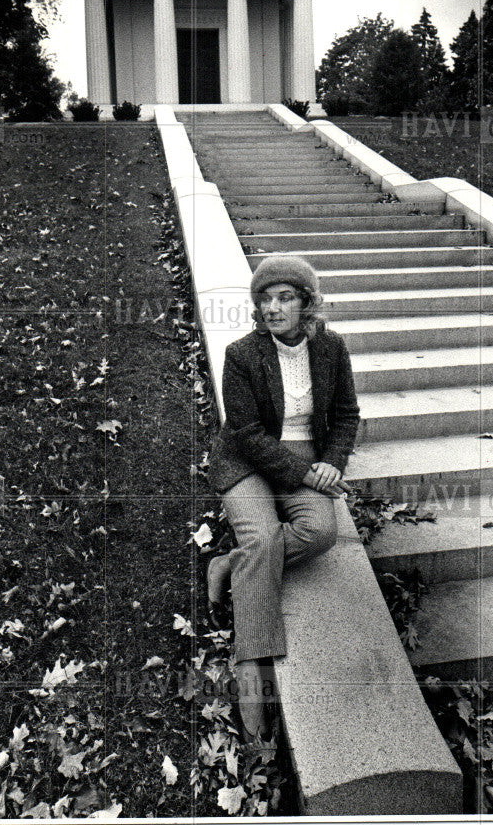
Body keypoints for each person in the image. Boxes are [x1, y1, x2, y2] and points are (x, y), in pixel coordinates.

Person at [206, 255, 360, 754]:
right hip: (247, 461)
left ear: (307, 303)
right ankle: (250, 677)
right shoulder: (242, 354)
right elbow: (247, 434)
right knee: (262, 536)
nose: (272, 308)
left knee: (321, 534)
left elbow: (345, 415)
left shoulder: (332, 348)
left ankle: (229, 564)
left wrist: (332, 462)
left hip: (306, 458)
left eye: (284, 298)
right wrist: (305, 472)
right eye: (265, 299)